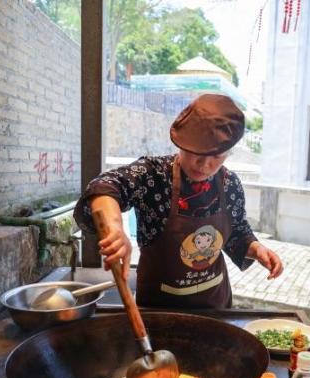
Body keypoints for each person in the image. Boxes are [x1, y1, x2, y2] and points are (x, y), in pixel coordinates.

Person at [74, 94, 283, 309]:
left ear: (228, 153)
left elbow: (237, 232)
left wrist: (257, 249)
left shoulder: (229, 184)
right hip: (158, 308)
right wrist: (115, 229)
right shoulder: (154, 175)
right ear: (182, 142)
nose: (204, 164)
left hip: (214, 305)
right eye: (197, 152)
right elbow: (105, 185)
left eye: (216, 156)